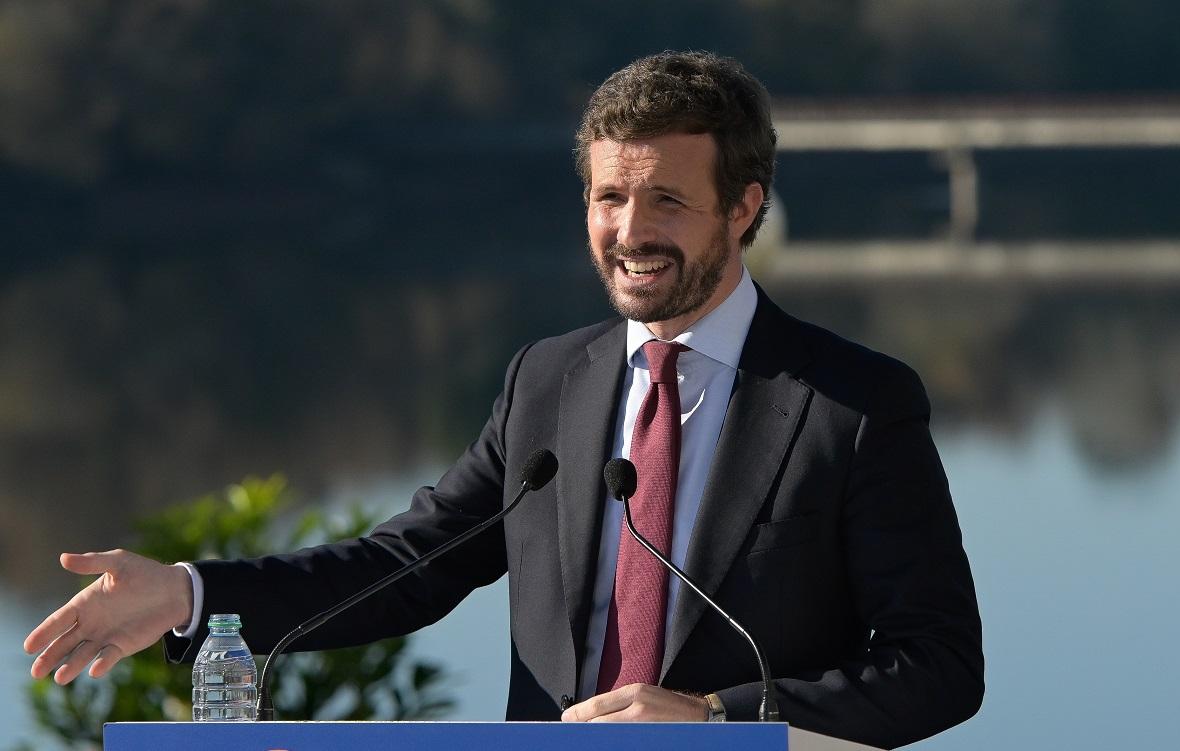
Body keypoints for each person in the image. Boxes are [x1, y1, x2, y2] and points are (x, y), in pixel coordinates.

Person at [24, 51, 983, 749]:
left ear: (744, 206)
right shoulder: (548, 382)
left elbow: (938, 665)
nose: (629, 231)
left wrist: (715, 719)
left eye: (667, 202)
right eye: (609, 197)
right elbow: (405, 566)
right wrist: (194, 595)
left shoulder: (853, 404)